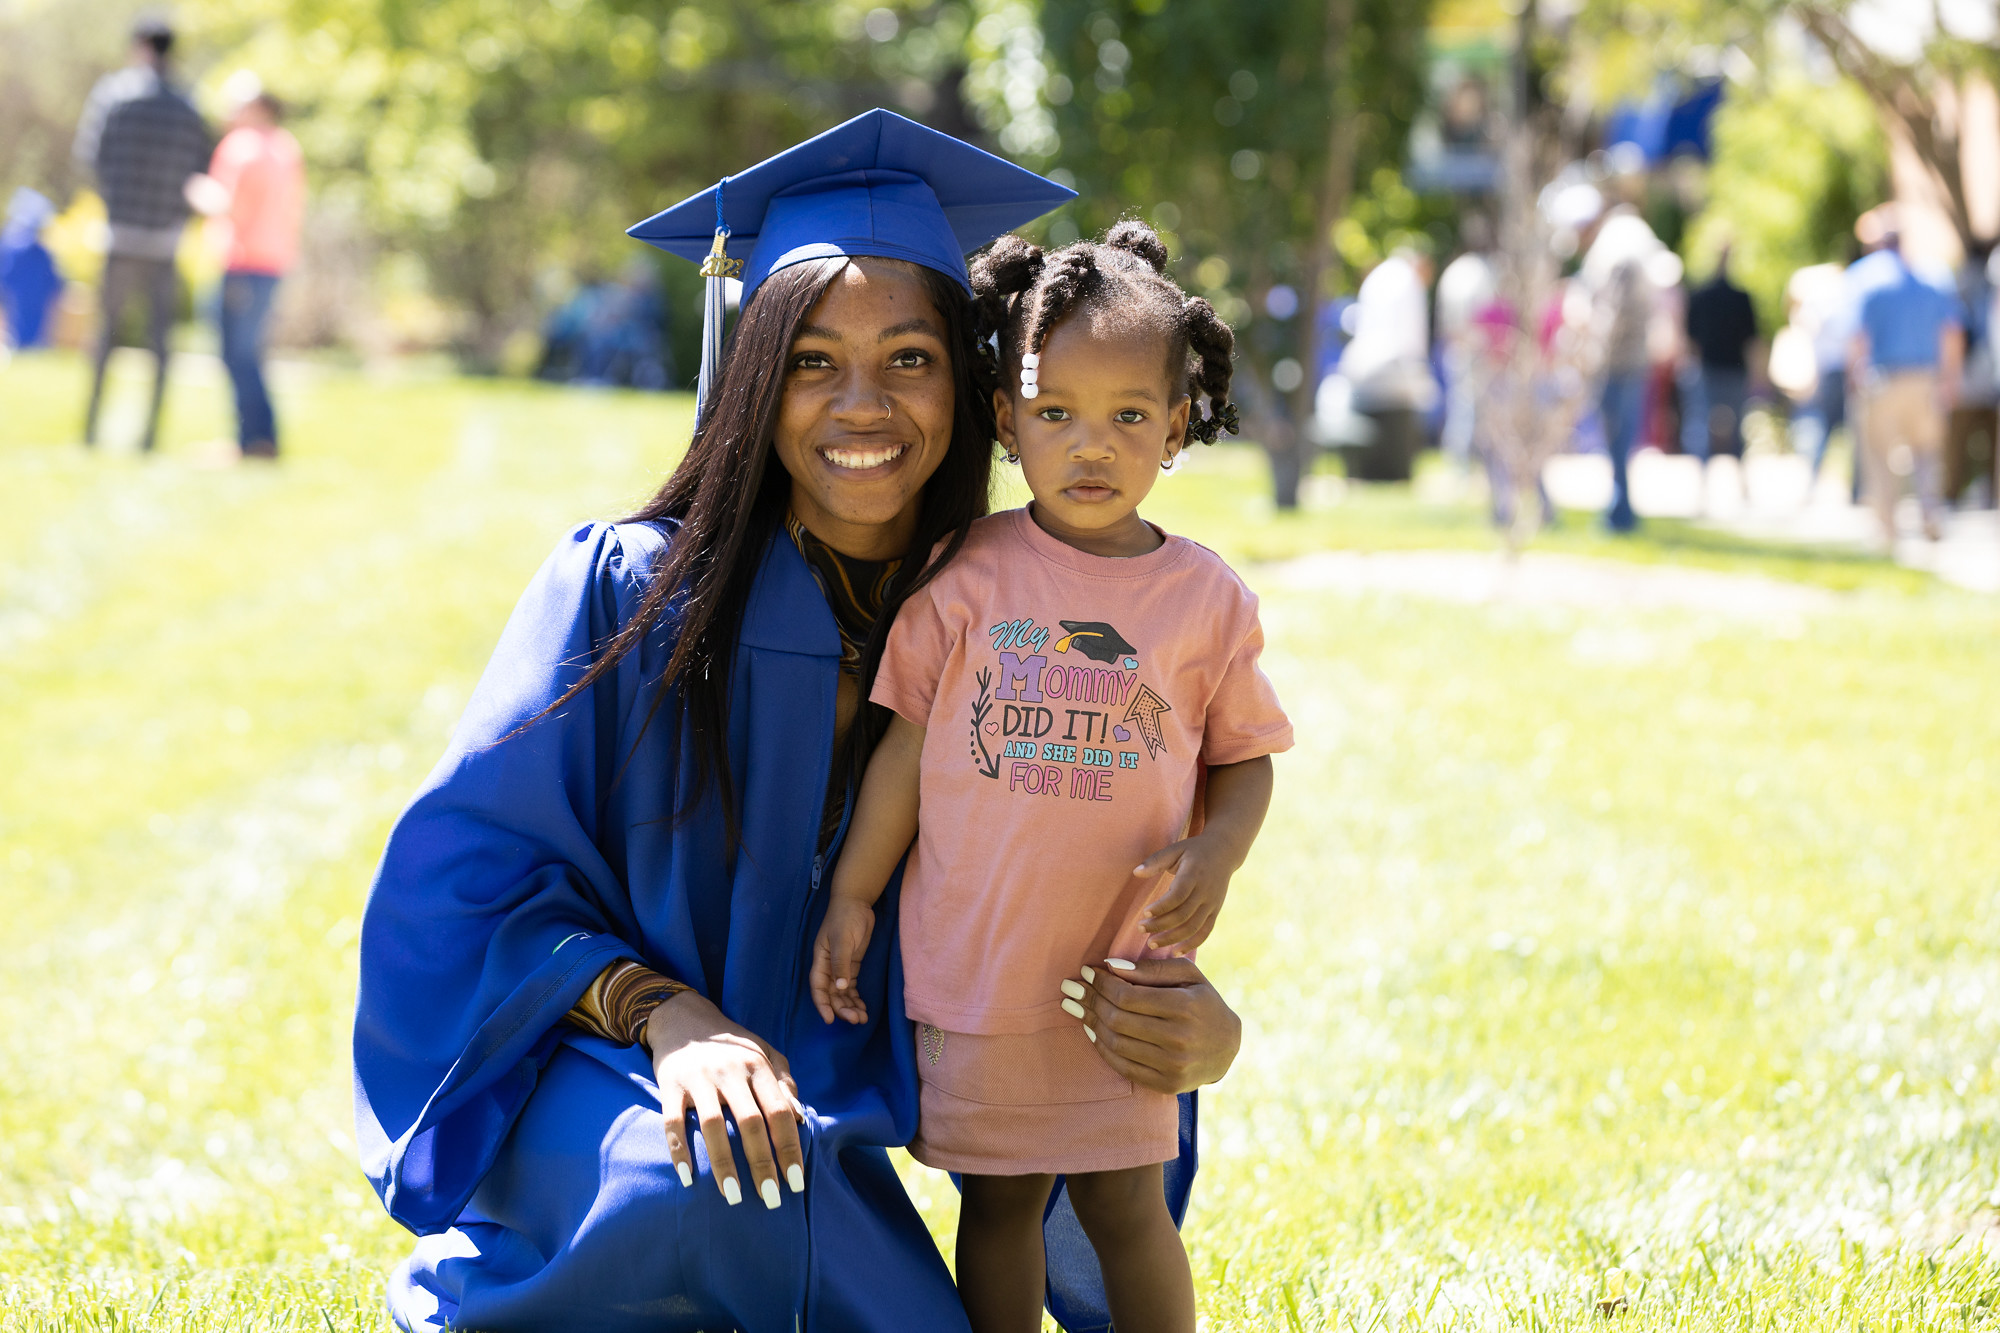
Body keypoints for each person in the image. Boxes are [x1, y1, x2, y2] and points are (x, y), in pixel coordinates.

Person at [352, 110, 1247, 1333]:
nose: (860, 405)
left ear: (976, 393)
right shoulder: (625, 591)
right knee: (707, 1184)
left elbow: (1073, 905)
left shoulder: (1004, 633)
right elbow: (463, 891)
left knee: (778, 1198)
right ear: (753, 377)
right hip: (618, 1082)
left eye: (909, 359)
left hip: (814, 1136)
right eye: (813, 360)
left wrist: (1190, 1036)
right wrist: (669, 1018)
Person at [809, 222, 1286, 1333]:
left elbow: (1246, 757)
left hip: (1118, 978)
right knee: (999, 1204)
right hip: (979, 969)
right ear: (1008, 418)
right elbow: (907, 759)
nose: (1091, 445)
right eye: (1056, 413)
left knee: (1129, 1208)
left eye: (1128, 416)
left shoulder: (1205, 601)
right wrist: (852, 894)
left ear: (1175, 428)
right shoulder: (966, 577)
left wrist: (1217, 851)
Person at [74, 13, 211, 453]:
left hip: (121, 235)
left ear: (140, 46)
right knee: (159, 343)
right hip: (165, 240)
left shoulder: (113, 96)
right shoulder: (188, 106)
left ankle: (91, 431)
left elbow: (90, 156)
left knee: (107, 335)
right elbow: (201, 172)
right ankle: (149, 438)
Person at [187, 76, 305, 459]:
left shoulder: (241, 148)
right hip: (273, 263)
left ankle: (251, 442)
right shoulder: (287, 148)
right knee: (250, 353)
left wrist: (196, 190)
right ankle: (259, 439)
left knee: (237, 355)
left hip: (240, 262)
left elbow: (227, 205)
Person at [1850, 225, 1964, 544]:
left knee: (1880, 456)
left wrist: (1855, 377)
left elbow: (1859, 340)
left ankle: (1888, 529)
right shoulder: (1932, 284)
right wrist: (1950, 380)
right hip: (1926, 380)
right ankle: (1931, 516)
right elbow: (1951, 335)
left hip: (1885, 379)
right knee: (1927, 454)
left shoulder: (1870, 285)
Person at [1579, 206, 1663, 533]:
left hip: (1617, 363)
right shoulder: (1634, 255)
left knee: (1618, 439)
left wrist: (1592, 347)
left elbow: (1610, 318)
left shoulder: (1620, 261)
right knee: (1621, 441)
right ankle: (1621, 510)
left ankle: (1620, 513)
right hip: (1631, 361)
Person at [1680, 246, 1760, 508]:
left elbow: (1690, 338)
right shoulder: (1738, 297)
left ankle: (1723, 487)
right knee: (1722, 427)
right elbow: (1752, 340)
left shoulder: (1704, 296)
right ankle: (1730, 487)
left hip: (1713, 368)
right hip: (1725, 369)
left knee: (1705, 426)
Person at [1, 188, 63, 350]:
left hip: (32, 313)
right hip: (19, 311)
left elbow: (54, 284)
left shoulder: (39, 253)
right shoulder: (13, 248)